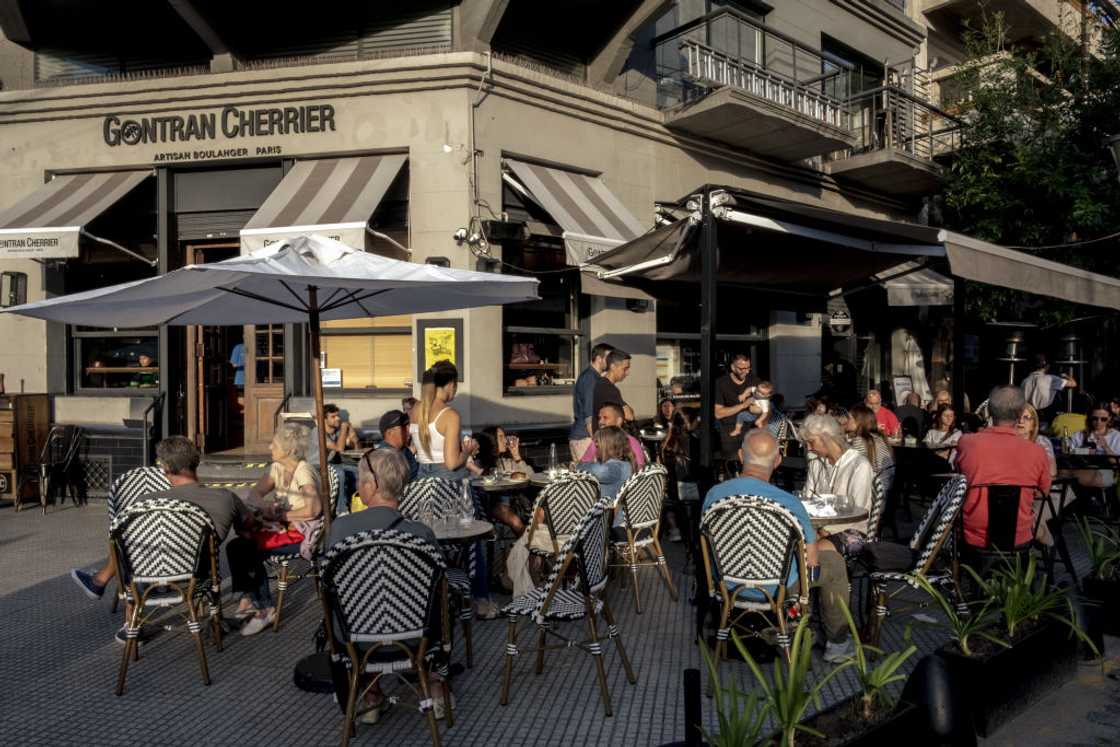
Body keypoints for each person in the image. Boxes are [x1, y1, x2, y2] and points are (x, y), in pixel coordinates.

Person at [70, 436, 252, 644]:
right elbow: (248, 531)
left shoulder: (143, 504)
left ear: (165, 468)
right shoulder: (225, 497)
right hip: (198, 579)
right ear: (197, 462)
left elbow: (120, 543)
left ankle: (129, 620)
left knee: (125, 546)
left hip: (147, 580)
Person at [702, 430, 852, 663]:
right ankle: (837, 645)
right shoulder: (789, 502)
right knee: (833, 563)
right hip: (777, 588)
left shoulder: (714, 495)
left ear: (741, 456)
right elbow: (811, 562)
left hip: (727, 584)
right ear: (778, 461)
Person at [327, 448, 449, 723]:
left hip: (355, 639)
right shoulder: (420, 534)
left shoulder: (340, 530)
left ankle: (371, 695)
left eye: (360, 481)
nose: (358, 486)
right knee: (444, 598)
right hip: (415, 637)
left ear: (372, 486)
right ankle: (433, 686)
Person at [229, 422, 323, 635]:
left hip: (302, 534)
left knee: (249, 549)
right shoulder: (277, 468)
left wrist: (280, 515)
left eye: (274, 443)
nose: (270, 447)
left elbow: (314, 509)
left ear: (288, 449)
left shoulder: (303, 471)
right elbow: (254, 495)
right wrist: (266, 507)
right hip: (282, 529)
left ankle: (265, 608)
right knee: (235, 546)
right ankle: (249, 598)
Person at [954, 385, 1051, 552]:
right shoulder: (1038, 451)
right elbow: (1043, 493)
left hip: (972, 537)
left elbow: (958, 480)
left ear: (990, 411)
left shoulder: (967, 443)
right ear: (1020, 414)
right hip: (1018, 537)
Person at [800, 414, 874, 536]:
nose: (808, 448)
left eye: (811, 442)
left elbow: (858, 511)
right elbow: (806, 500)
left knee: (808, 546)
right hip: (817, 528)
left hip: (851, 531)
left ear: (826, 438)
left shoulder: (858, 465)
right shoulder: (816, 463)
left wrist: (826, 531)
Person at [411, 360, 477, 480]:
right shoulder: (450, 415)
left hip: (422, 475)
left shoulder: (416, 409)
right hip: (447, 479)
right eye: (456, 384)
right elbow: (452, 463)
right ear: (450, 384)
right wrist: (467, 451)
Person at [470, 425, 532, 537]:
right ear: (492, 440)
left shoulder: (506, 462)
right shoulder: (478, 463)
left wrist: (516, 455)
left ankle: (531, 544)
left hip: (514, 503)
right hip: (491, 505)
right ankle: (530, 545)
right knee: (515, 521)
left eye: (504, 436)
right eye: (501, 437)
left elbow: (531, 476)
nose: (505, 440)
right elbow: (478, 484)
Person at [577, 426, 635, 526]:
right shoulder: (626, 464)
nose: (595, 446)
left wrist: (579, 464)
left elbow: (588, 469)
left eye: (597, 444)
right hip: (618, 519)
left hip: (609, 523)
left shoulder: (614, 468)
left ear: (607, 446)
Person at [570, 342, 613, 460]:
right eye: (609, 358)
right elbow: (589, 414)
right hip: (585, 438)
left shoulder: (592, 377)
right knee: (590, 472)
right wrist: (598, 443)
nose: (611, 362)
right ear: (599, 359)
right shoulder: (590, 378)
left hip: (583, 438)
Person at [714, 353, 759, 458]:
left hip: (751, 431)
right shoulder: (721, 383)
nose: (746, 371)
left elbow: (763, 407)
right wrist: (743, 405)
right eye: (742, 368)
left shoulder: (755, 381)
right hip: (730, 434)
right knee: (733, 462)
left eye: (748, 368)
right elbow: (718, 413)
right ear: (733, 367)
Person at [844, 404, 895, 494]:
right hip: (886, 486)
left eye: (849, 418)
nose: (846, 421)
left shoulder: (860, 440)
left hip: (875, 491)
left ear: (858, 421)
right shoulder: (879, 437)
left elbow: (850, 467)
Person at [581, 403, 647, 467]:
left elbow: (639, 467)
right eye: (599, 418)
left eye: (605, 418)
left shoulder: (631, 441)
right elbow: (583, 464)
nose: (600, 422)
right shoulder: (598, 441)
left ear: (618, 421)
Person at [1021, 354, 1076, 419]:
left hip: (1028, 415)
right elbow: (1073, 384)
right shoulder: (1051, 379)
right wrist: (1065, 375)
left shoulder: (1025, 381)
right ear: (1047, 366)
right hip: (1046, 415)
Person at [592, 349, 633, 431]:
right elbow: (629, 416)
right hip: (604, 435)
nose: (628, 373)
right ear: (613, 366)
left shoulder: (600, 383)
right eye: (625, 369)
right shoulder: (608, 388)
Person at [377, 408, 419, 481]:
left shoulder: (404, 451)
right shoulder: (384, 458)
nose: (409, 430)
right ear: (389, 433)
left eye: (408, 425)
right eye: (403, 427)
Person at [1017, 404, 1056, 478]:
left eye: (1026, 418)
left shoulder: (1041, 441)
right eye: (1017, 417)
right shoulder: (1006, 442)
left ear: (1033, 424)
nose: (1021, 421)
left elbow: (1051, 472)